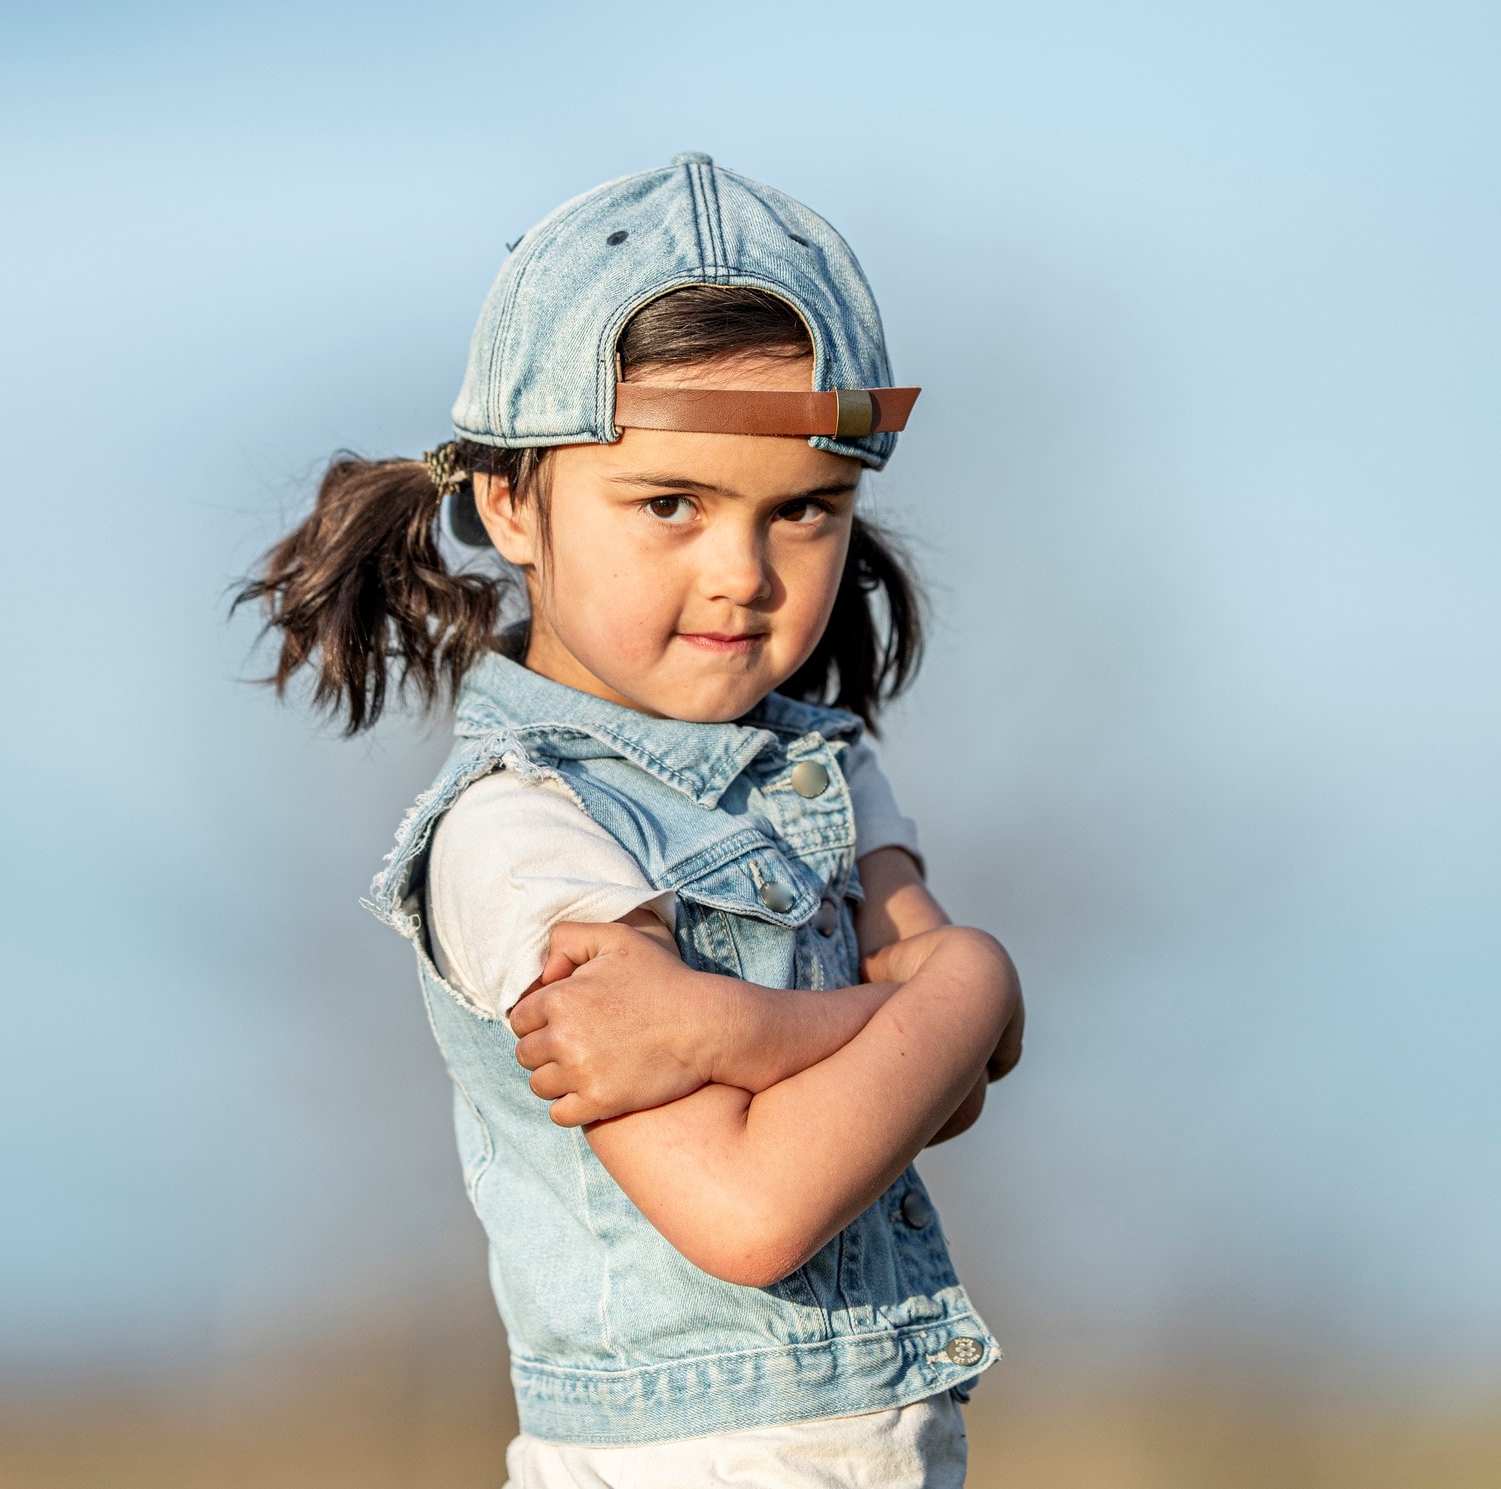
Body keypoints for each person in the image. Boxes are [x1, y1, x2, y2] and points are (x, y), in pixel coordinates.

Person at [241, 152, 1025, 1488]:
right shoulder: (520, 836)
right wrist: (955, 978)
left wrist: (760, 1026)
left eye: (804, 511)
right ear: (510, 504)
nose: (741, 571)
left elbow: (958, 1078)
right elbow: (750, 1207)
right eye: (671, 503)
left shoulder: (820, 767)